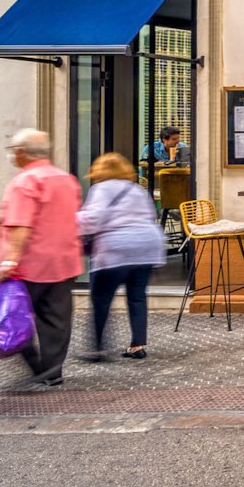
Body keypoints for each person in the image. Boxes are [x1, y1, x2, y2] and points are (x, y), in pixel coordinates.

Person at [0, 128, 83, 388]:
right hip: (63, 262)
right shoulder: (66, 179)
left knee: (13, 316)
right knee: (57, 319)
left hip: (29, 266)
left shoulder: (25, 182)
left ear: (21, 153)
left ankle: (37, 366)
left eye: (13, 151)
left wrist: (9, 261)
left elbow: (21, 225)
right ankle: (53, 371)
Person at [76, 153, 166, 361]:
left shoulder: (101, 189)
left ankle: (97, 348)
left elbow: (92, 219)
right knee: (137, 297)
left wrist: (68, 222)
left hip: (116, 248)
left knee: (101, 298)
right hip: (146, 247)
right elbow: (151, 215)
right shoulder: (136, 189)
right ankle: (137, 345)